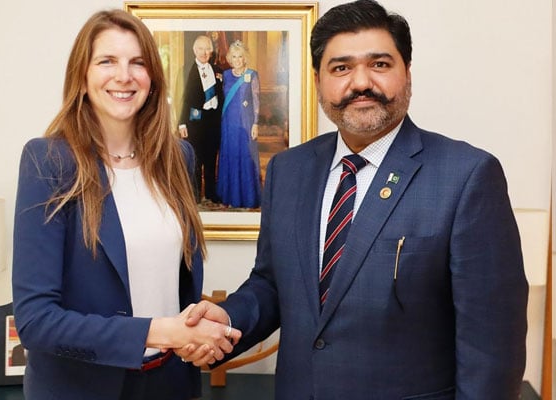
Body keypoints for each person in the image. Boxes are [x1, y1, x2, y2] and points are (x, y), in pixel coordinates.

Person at [179, 1, 528, 399]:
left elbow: (491, 347)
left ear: (407, 74)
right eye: (341, 68)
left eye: (379, 64)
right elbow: (274, 284)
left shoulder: (466, 176)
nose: (360, 82)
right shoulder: (288, 170)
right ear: (318, 81)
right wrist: (225, 318)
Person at [11, 10, 240, 400]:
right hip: (82, 389)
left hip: (170, 383)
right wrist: (163, 330)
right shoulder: (48, 161)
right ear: (82, 77)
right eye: (107, 61)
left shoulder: (178, 157)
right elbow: (36, 321)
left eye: (138, 62)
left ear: (152, 79)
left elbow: (177, 287)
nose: (124, 75)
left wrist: (192, 336)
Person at [178, 35, 224, 204]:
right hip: (195, 122)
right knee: (196, 159)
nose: (205, 53)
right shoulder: (185, 70)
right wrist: (181, 122)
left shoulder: (218, 70)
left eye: (207, 49)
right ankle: (195, 194)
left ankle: (211, 192)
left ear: (211, 51)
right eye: (201, 49)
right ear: (194, 50)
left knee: (212, 158)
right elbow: (181, 99)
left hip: (213, 122)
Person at [216, 40, 262, 208]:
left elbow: (256, 100)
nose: (237, 59)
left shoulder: (252, 74)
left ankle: (248, 197)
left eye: (240, 56)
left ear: (245, 58)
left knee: (246, 156)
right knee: (230, 155)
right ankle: (228, 196)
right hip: (228, 123)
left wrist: (255, 123)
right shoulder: (225, 75)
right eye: (234, 56)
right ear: (230, 58)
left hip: (246, 122)